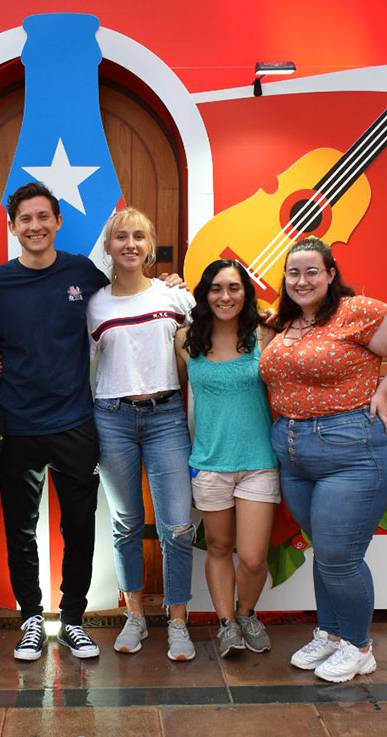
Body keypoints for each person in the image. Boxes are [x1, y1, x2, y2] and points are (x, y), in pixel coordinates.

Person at [259, 237, 387, 683]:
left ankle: (359, 646)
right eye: (294, 272)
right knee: (327, 553)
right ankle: (332, 634)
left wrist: (382, 391)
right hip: (296, 454)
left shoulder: (356, 311)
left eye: (312, 271)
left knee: (340, 557)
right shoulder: (287, 322)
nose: (302, 280)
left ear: (331, 274)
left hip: (355, 451)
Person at [0, 182, 110, 662]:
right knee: (21, 527)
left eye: (43, 217)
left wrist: (172, 287)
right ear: (13, 228)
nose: (35, 226)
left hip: (75, 422)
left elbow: (125, 299)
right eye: (25, 219)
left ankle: (73, 620)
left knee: (79, 526)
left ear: (57, 222)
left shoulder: (83, 272)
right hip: (18, 425)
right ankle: (32, 618)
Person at [87, 208, 197, 661]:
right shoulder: (94, 304)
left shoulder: (176, 299)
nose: (129, 244)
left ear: (149, 246)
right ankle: (134, 616)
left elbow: (204, 353)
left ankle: (177, 623)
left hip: (167, 417)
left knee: (177, 526)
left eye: (138, 236)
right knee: (126, 524)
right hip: (111, 419)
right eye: (120, 237)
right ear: (109, 247)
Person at [175, 259, 281, 658]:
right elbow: (174, 396)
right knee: (219, 547)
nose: (225, 296)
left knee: (252, 558)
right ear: (204, 294)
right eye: (217, 288)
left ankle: (247, 612)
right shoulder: (185, 340)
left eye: (234, 288)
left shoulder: (266, 333)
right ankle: (226, 624)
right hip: (209, 463)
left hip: (258, 462)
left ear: (246, 293)